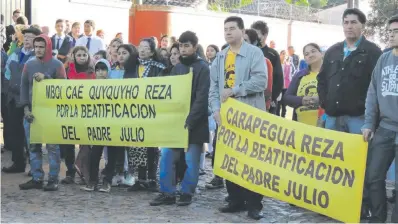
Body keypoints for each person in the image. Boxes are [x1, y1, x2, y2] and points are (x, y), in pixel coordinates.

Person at [317, 8, 382, 219]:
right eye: (346, 22)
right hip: (333, 118)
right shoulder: (334, 51)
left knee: (358, 165)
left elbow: (378, 87)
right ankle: (334, 203)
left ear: (362, 25)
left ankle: (360, 205)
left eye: (353, 22)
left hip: (359, 119)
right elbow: (322, 80)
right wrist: (326, 105)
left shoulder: (373, 52)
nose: (349, 26)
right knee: (332, 164)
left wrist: (372, 119)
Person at [210, 16, 267, 220]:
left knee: (252, 161)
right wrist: (215, 109)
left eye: (232, 28)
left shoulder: (254, 53)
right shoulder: (220, 57)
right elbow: (214, 89)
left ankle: (254, 205)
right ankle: (235, 200)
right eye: (225, 28)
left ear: (243, 32)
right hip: (226, 119)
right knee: (228, 159)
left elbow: (261, 81)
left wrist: (235, 90)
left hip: (250, 116)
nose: (228, 32)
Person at [149, 31, 209, 206]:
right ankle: (167, 192)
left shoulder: (203, 68)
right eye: (181, 45)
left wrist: (190, 120)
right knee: (167, 157)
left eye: (187, 46)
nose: (183, 49)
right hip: (176, 122)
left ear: (194, 47)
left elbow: (202, 98)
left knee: (191, 161)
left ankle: (186, 193)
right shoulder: (177, 68)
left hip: (196, 123)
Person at [361, 15, 398, 223]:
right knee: (374, 177)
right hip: (384, 128)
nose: (391, 35)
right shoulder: (384, 59)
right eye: (390, 31)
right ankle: (377, 219)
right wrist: (368, 123)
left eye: (396, 31)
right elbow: (372, 93)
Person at [19, 34, 67, 191]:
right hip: (32, 113)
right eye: (36, 47)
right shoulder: (29, 64)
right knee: (33, 147)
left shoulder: (57, 64)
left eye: (41, 47)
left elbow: (64, 88)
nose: (38, 50)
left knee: (53, 147)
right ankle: (36, 177)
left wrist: (46, 78)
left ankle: (53, 178)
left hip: (52, 113)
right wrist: (26, 109)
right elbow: (24, 87)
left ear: (48, 47)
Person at [1, 26, 41, 173]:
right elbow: (6, 74)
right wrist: (7, 90)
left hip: (29, 101)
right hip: (12, 99)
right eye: (26, 37)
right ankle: (18, 163)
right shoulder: (15, 54)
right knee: (15, 133)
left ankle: (34, 166)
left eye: (31, 38)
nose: (27, 40)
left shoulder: (37, 58)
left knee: (30, 135)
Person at [128, 38, 164, 192]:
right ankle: (140, 178)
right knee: (136, 145)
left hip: (152, 112)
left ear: (152, 51)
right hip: (134, 112)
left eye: (145, 48)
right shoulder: (132, 66)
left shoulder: (159, 68)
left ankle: (151, 178)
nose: (142, 50)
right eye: (140, 47)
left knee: (151, 146)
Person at [284, 43, 323, 126]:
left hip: (325, 128)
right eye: (307, 54)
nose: (310, 55)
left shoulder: (330, 74)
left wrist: (320, 100)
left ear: (321, 53)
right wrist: (302, 100)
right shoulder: (299, 75)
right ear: (305, 59)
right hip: (301, 127)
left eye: (313, 51)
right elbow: (287, 97)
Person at [251, 21, 283, 114]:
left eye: (256, 34)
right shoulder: (247, 52)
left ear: (265, 35)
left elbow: (278, 79)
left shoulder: (272, 54)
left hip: (267, 101)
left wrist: (271, 98)